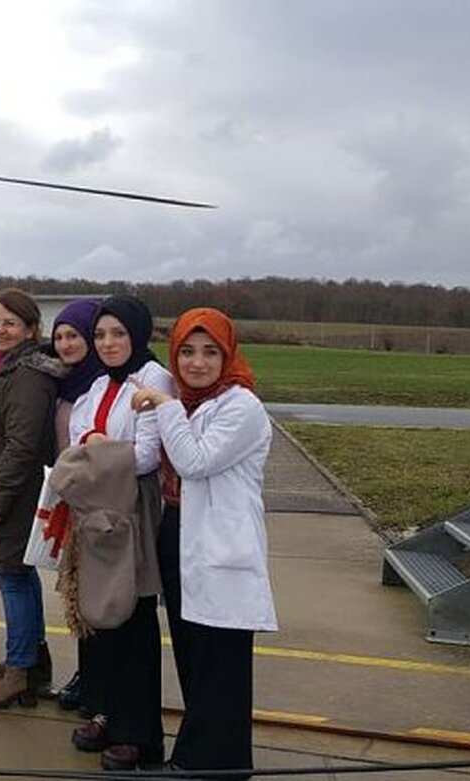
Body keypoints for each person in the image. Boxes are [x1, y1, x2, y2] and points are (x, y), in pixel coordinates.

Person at [131, 308, 276, 778]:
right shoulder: (189, 401)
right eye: (187, 352)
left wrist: (164, 406)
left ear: (227, 354)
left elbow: (195, 461)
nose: (197, 363)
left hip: (221, 549)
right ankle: (213, 762)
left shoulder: (241, 406)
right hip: (181, 538)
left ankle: (201, 764)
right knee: (194, 657)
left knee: (221, 667)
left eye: (210, 352)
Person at [63, 294, 175, 770]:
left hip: (131, 509)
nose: (108, 343)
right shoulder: (99, 383)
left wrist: (92, 448)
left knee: (132, 616)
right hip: (97, 507)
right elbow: (76, 434)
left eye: (118, 334)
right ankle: (105, 710)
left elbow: (148, 454)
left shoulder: (153, 379)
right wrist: (101, 444)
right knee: (100, 616)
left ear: (137, 334)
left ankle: (139, 731)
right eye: (101, 335)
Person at [0, 289, 64, 708]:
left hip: (9, 493)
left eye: (10, 323)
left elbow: (21, 445)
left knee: (11, 578)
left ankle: (20, 669)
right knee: (19, 575)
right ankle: (32, 664)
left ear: (31, 330)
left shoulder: (28, 376)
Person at [44, 298, 107, 710]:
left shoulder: (102, 382)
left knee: (100, 596)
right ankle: (88, 674)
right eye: (60, 336)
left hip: (101, 503)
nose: (66, 344)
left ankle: (99, 681)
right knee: (78, 594)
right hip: (70, 495)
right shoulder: (63, 381)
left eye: (75, 336)